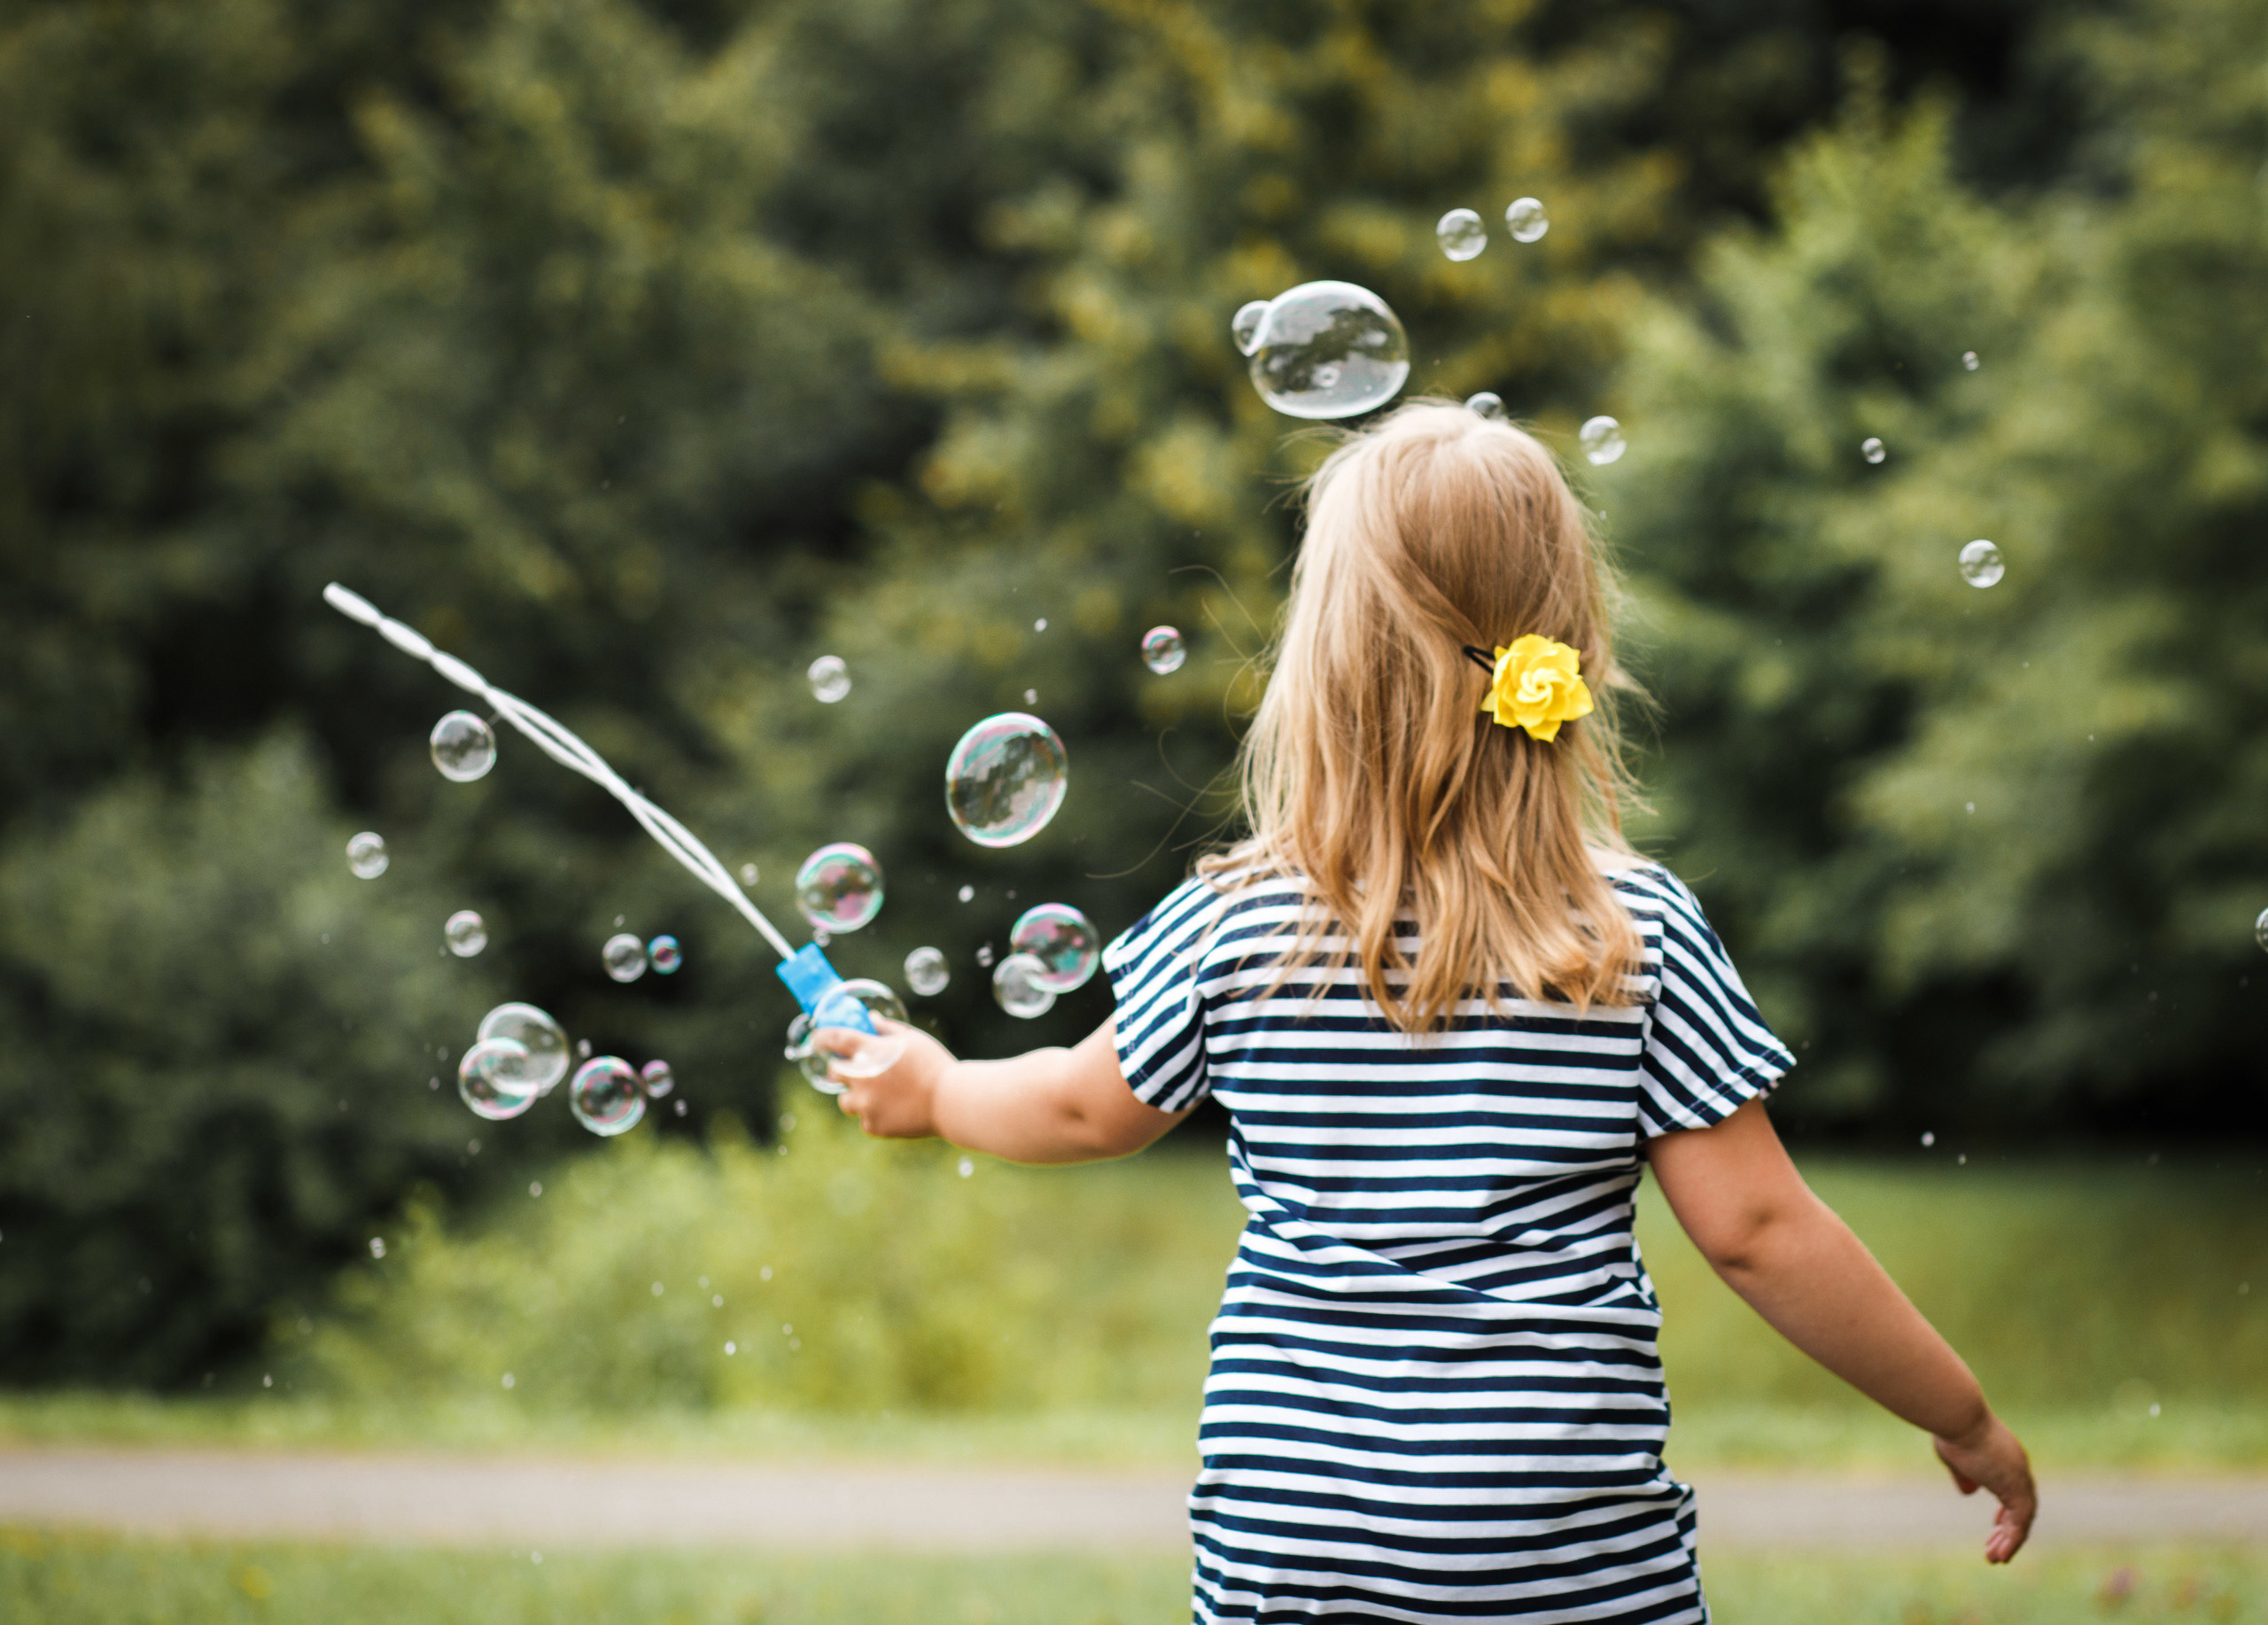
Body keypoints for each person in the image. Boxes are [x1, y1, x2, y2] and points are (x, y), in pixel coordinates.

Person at [821, 400, 2036, 1623]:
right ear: (1560, 651)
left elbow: (1083, 1108)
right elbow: (1760, 1229)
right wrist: (1960, 1410)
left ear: (1326, 665)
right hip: (1564, 1557)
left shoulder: (1239, 925)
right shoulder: (1630, 935)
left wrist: (932, 1089)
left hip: (1296, 1549)